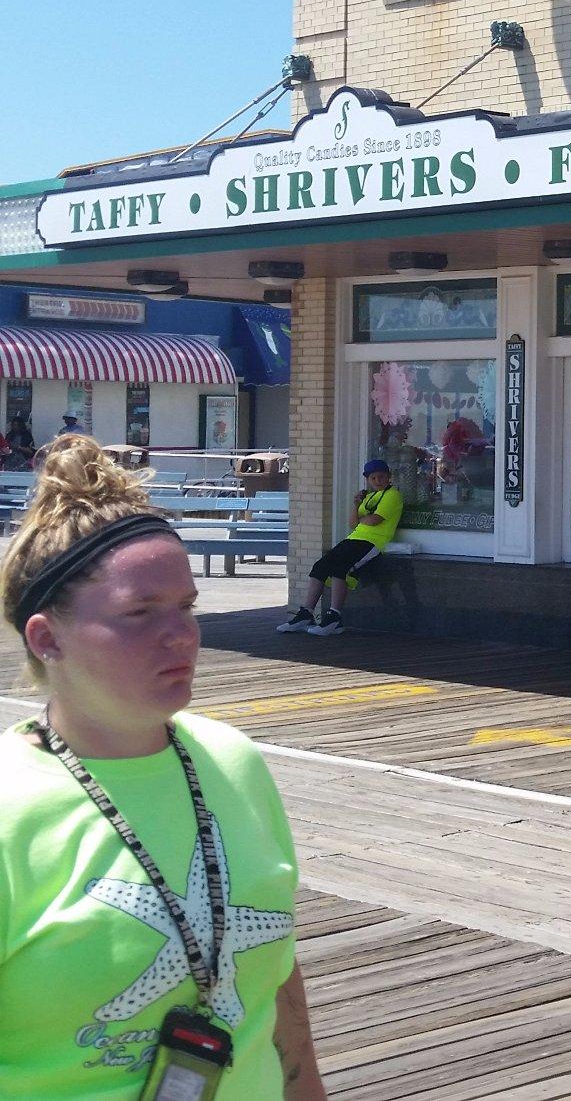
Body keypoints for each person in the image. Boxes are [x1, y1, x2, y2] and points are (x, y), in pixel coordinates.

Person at [0, 435, 327, 1098]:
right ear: (46, 637)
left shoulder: (232, 762)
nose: (179, 635)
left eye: (186, 607)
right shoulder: (12, 809)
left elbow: (275, 972)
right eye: (139, 614)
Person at [277, 459, 403, 638]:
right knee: (320, 567)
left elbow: (375, 520)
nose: (377, 481)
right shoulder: (368, 497)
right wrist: (357, 505)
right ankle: (306, 613)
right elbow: (352, 523)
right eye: (373, 477)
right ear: (367, 479)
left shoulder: (392, 495)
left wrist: (364, 518)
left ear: (389, 477)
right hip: (354, 538)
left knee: (340, 570)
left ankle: (334, 617)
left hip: (373, 542)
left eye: (381, 477)